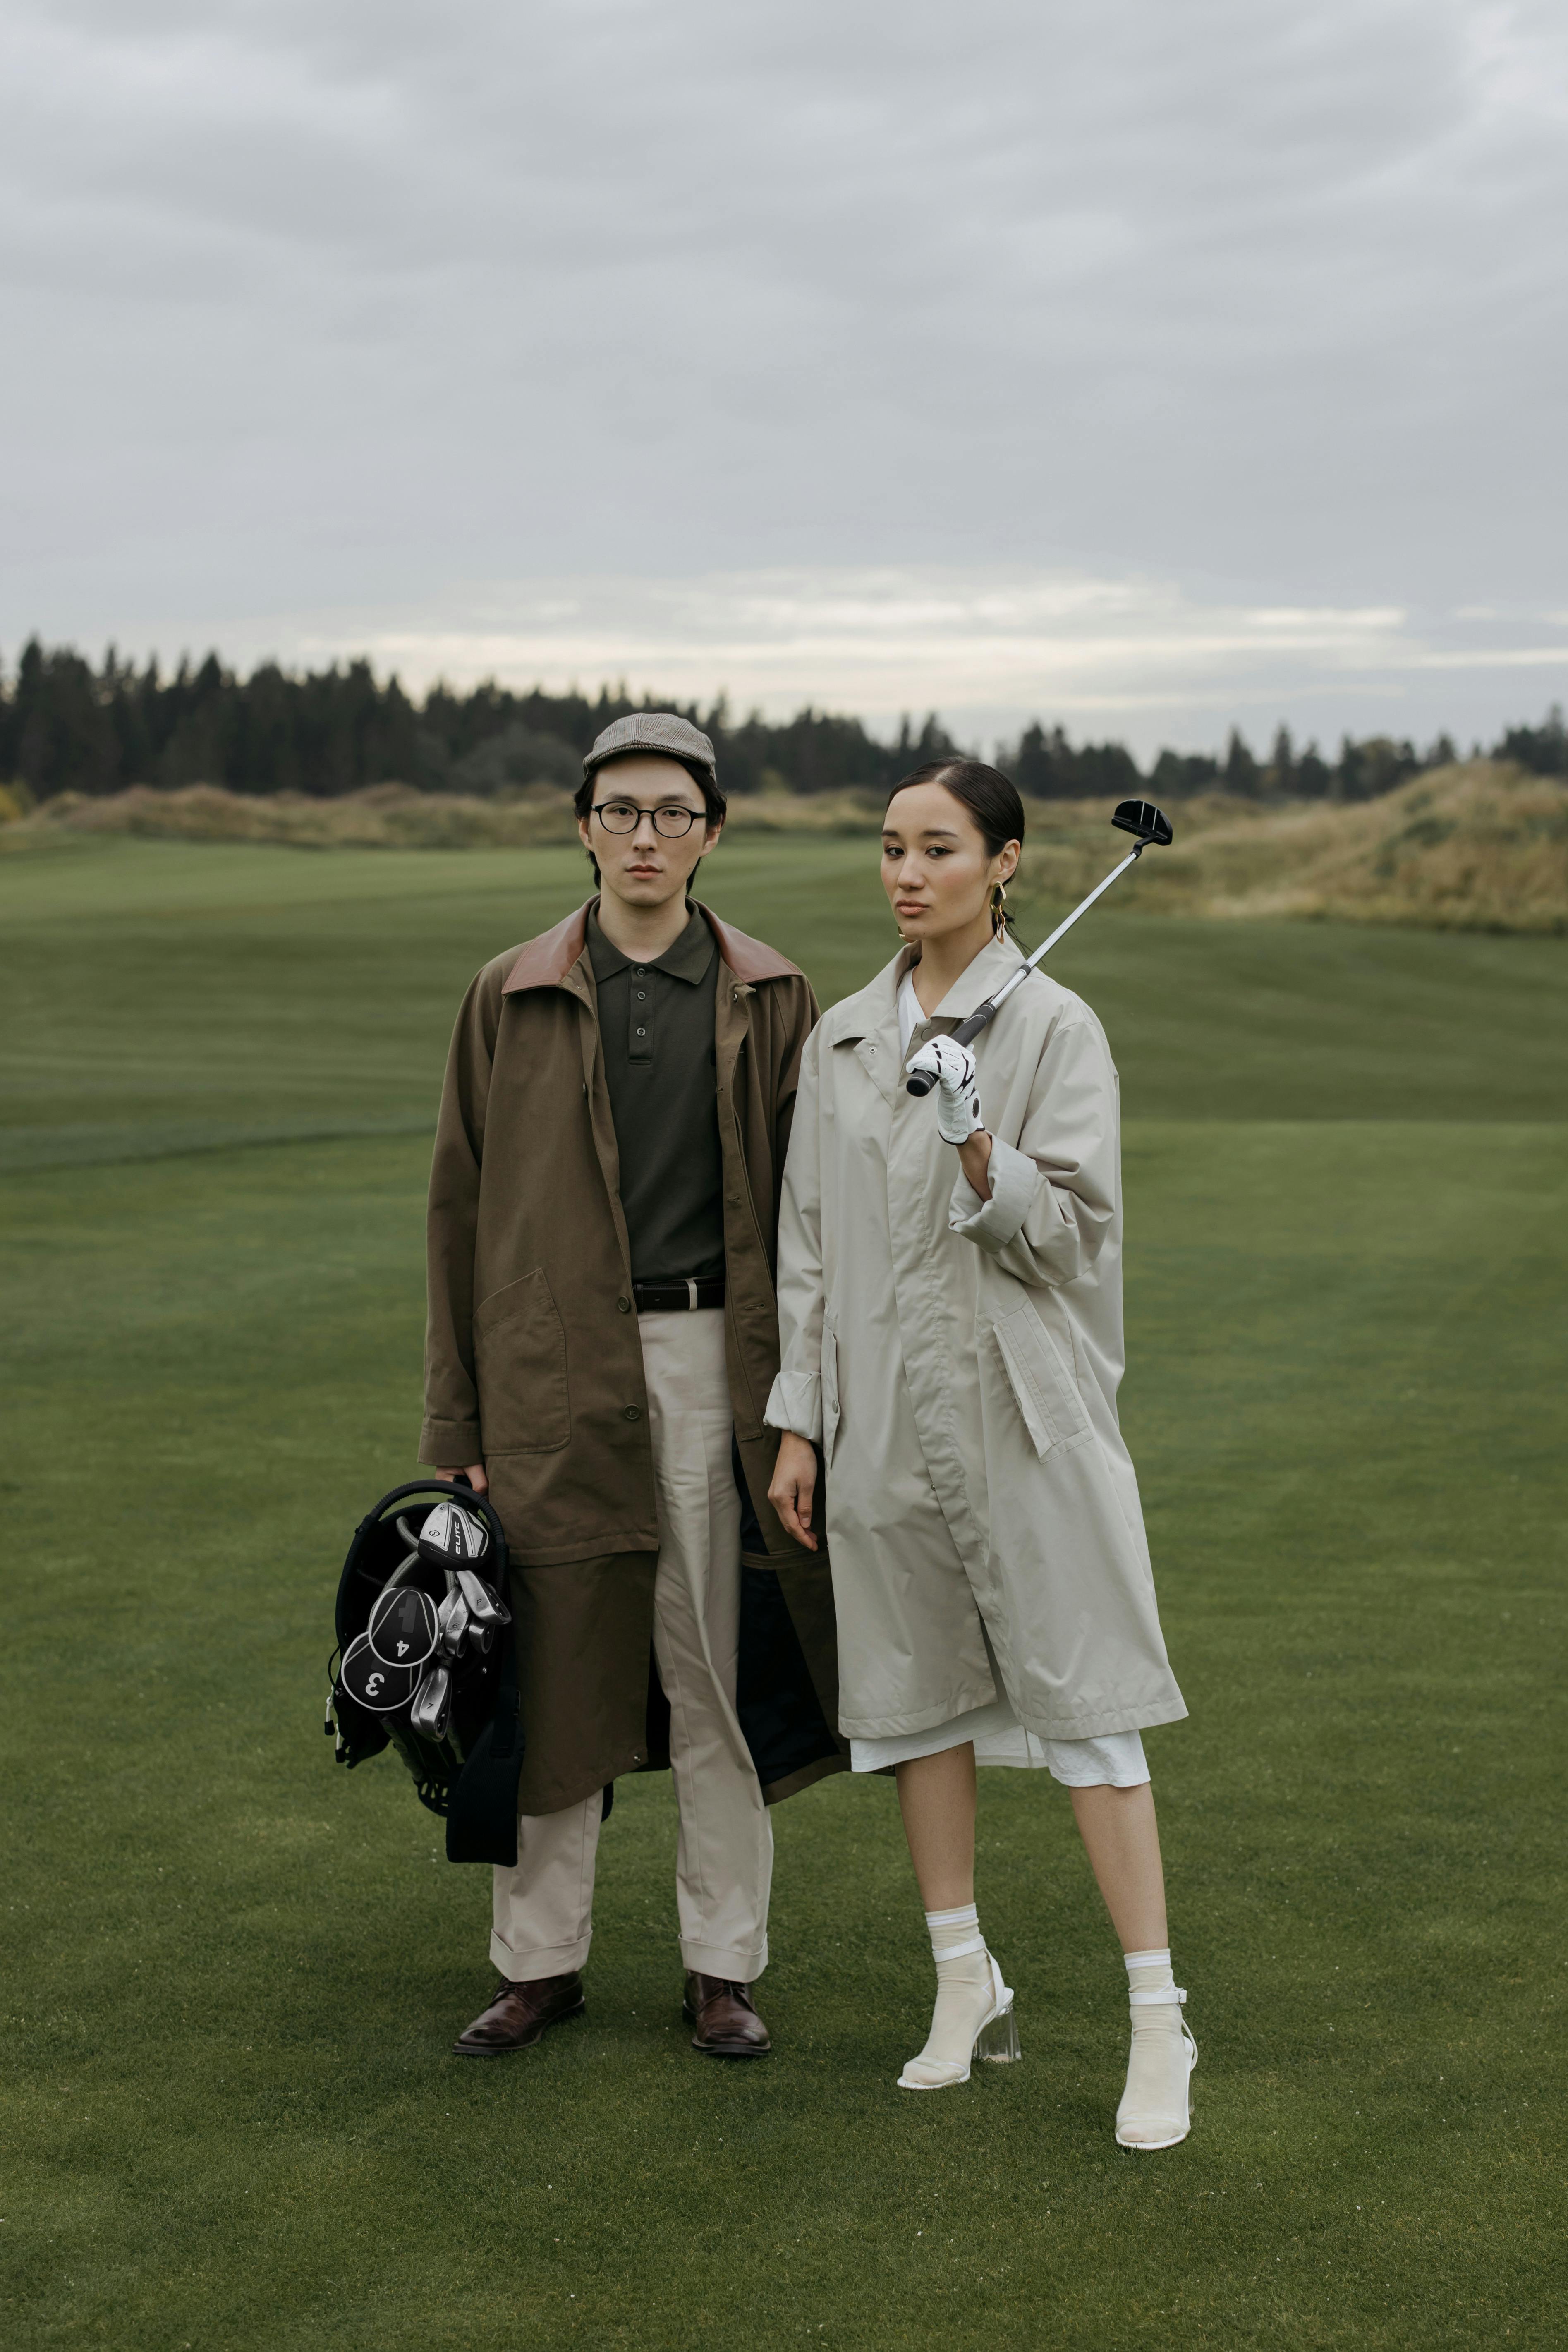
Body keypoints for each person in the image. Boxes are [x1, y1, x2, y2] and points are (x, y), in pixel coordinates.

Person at [765, 758, 1195, 2147]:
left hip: (1022, 1415)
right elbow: (811, 1251)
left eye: (937, 848)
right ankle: (965, 1983)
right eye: (889, 846)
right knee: (916, 1706)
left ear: (1004, 863)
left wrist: (975, 1142)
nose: (905, 872)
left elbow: (1071, 1240)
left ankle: (1156, 2023)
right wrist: (798, 1419)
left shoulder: (1058, 1029)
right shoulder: (842, 1039)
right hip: (880, 1414)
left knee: (1089, 1709)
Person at [421, 711, 845, 2063]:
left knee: (713, 1674)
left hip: (725, 1366)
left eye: (673, 813)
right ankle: (538, 1964)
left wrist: (808, 1412)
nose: (646, 835)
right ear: (583, 825)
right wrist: (457, 1423)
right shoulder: (508, 992)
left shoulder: (777, 996)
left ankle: (722, 1966)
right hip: (555, 1378)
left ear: (711, 833)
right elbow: (457, 1216)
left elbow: (824, 1225)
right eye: (621, 812)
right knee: (550, 1680)